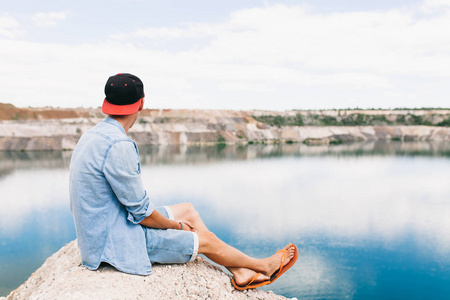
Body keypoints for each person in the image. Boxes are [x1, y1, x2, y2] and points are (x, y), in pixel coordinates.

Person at [69, 73, 298, 290]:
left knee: (188, 210)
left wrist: (178, 222)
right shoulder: (119, 145)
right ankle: (263, 266)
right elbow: (143, 214)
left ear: (106, 102)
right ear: (141, 104)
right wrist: (177, 227)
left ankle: (239, 271)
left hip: (104, 229)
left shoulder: (93, 135)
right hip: (117, 243)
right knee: (202, 238)